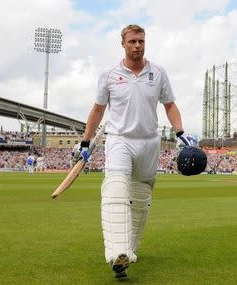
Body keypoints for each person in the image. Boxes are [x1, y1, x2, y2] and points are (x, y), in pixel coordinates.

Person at [75, 24, 188, 279]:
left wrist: (180, 132)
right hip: (119, 140)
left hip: (149, 142)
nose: (137, 45)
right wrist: (85, 141)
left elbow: (170, 105)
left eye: (141, 41)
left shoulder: (157, 72)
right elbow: (97, 110)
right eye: (133, 41)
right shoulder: (109, 74)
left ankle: (127, 255)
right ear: (123, 44)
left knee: (140, 200)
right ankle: (116, 251)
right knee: (115, 190)